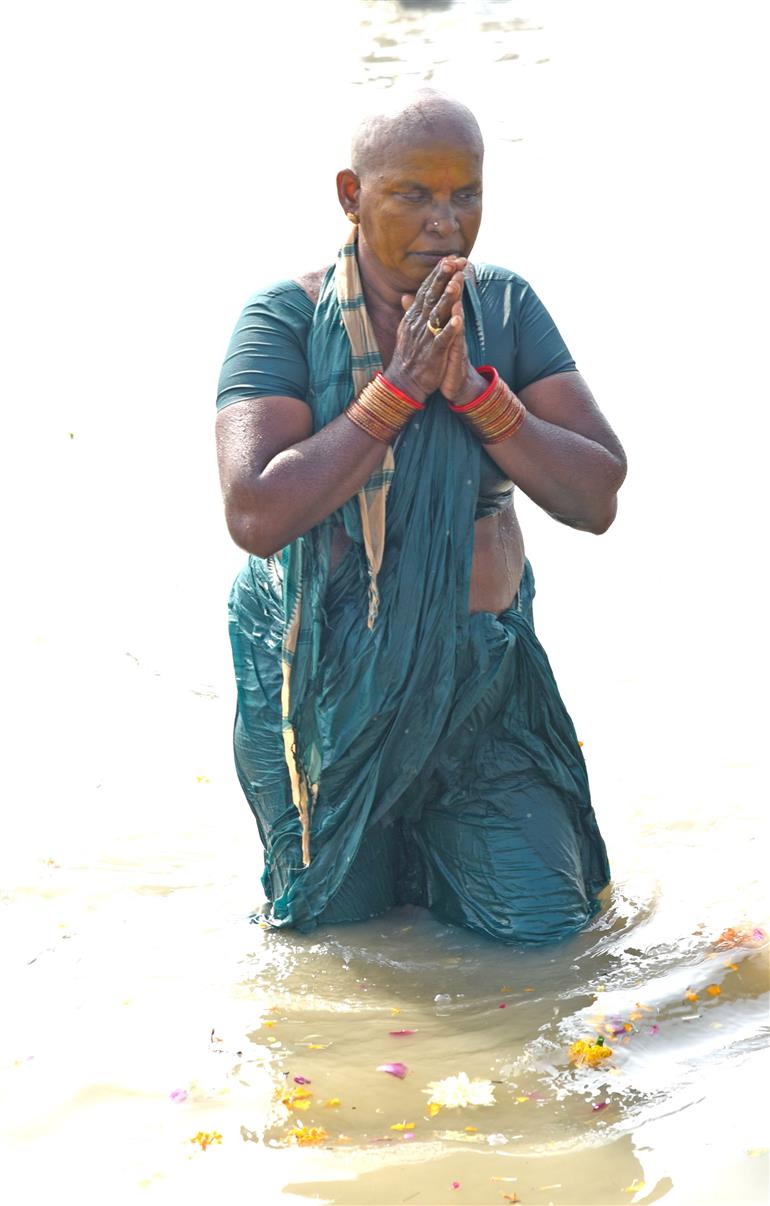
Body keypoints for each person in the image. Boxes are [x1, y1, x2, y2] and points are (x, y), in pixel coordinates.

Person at [215, 90, 626, 943]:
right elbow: (256, 513)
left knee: (544, 936)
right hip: (324, 692)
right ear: (350, 195)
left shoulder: (505, 311)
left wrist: (478, 393)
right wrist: (395, 392)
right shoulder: (282, 321)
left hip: (482, 690)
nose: (446, 221)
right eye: (413, 193)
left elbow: (596, 497)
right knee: (341, 937)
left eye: (465, 194)